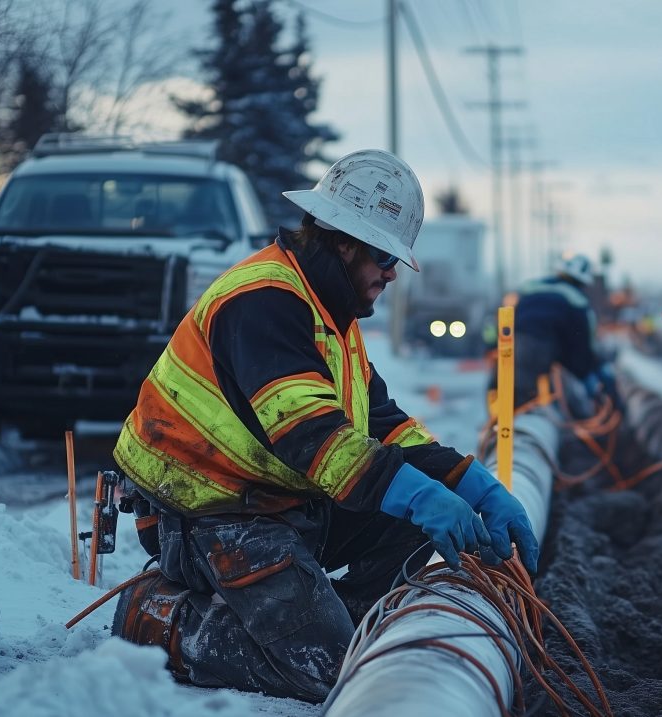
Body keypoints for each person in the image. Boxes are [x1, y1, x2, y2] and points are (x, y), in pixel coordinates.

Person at [108, 150, 540, 702]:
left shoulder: (327, 313)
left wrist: (474, 485)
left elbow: (383, 426)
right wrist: (422, 497)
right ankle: (165, 620)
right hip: (208, 515)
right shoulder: (265, 304)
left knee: (410, 523)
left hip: (278, 504)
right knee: (333, 669)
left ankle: (343, 620)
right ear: (343, 242)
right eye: (383, 256)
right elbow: (315, 441)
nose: (390, 272)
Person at [495, 253, 617, 410]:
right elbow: (582, 344)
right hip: (545, 349)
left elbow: (507, 313)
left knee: (514, 392)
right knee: (568, 394)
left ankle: (508, 423)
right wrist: (588, 369)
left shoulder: (530, 287)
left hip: (514, 343)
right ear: (583, 281)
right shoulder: (577, 301)